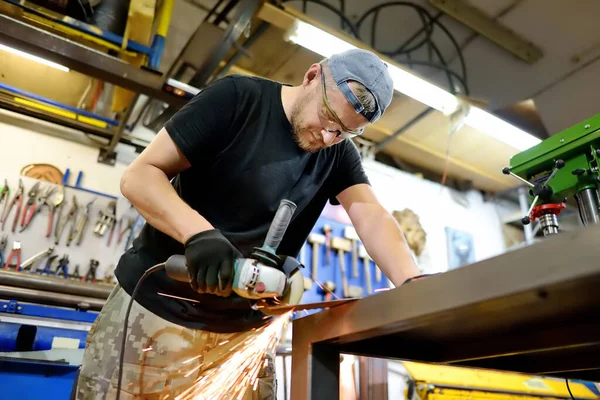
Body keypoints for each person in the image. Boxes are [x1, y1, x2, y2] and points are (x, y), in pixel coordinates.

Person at [75, 48, 424, 399]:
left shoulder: (336, 153)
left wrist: (413, 282)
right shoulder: (237, 100)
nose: (328, 137)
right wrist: (197, 233)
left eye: (347, 132)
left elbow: (371, 213)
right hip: (155, 318)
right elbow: (139, 177)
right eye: (328, 117)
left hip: (243, 337)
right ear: (312, 76)